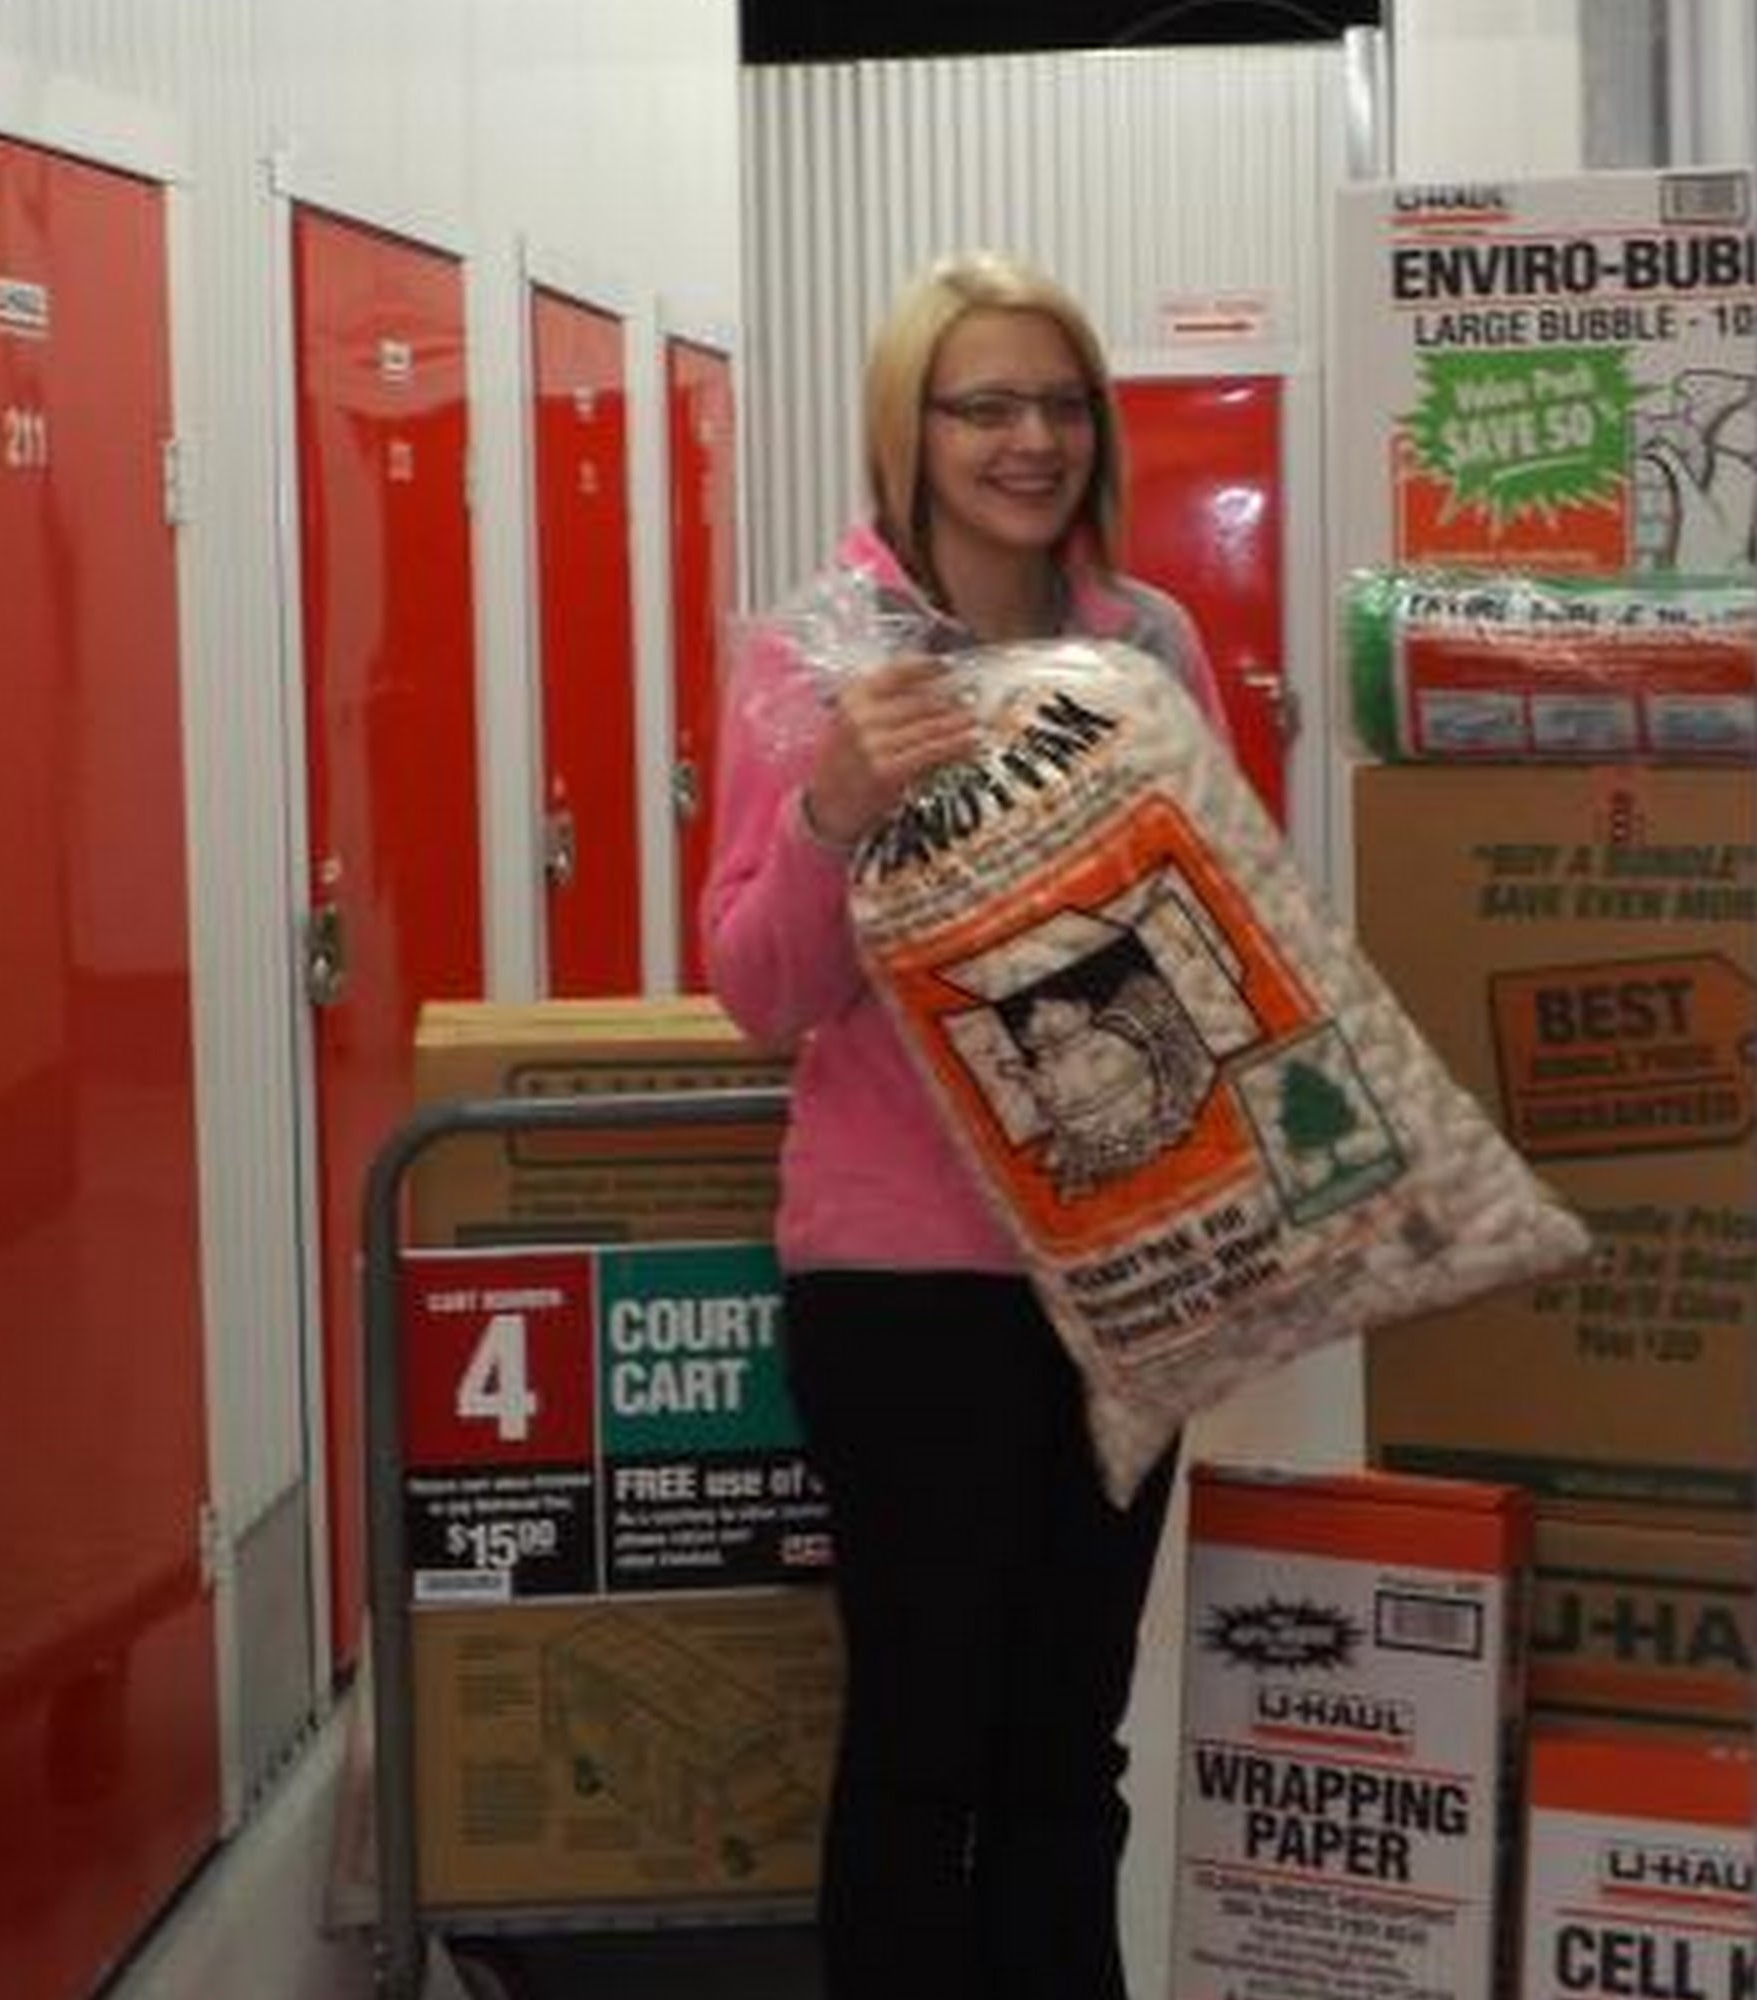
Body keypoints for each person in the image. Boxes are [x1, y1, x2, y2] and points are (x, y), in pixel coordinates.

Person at [699, 251, 1234, 2000]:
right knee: (925, 1740)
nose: (1032, 440)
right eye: (985, 405)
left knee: (1070, 1742)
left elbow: (1243, 928)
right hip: (906, 1283)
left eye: (1062, 403)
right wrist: (834, 811)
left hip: (1125, 1263)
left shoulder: (1148, 645)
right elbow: (760, 990)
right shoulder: (819, 659)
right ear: (909, 430)